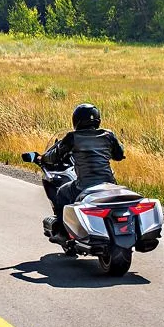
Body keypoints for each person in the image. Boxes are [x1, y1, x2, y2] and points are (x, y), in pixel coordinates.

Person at [44, 103, 125, 242]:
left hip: (85, 185)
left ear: (77, 120)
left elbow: (54, 156)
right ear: (98, 120)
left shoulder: (73, 137)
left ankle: (62, 233)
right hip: (109, 184)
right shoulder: (108, 135)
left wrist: (43, 158)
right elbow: (119, 155)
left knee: (62, 192)